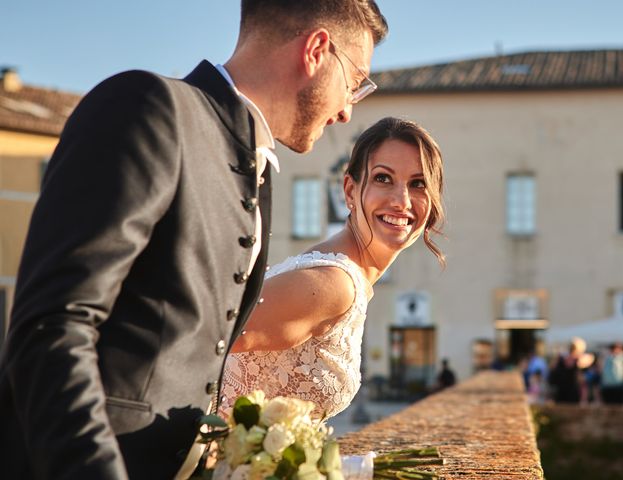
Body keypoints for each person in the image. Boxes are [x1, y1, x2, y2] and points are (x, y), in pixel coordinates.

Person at [0, 1, 388, 479]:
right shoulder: (146, 108)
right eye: (355, 82)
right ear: (316, 51)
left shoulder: (256, 167)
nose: (349, 110)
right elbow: (53, 329)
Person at [221, 116, 445, 418]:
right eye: (383, 178)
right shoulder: (333, 284)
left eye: (418, 184)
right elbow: (204, 337)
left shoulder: (342, 275)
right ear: (350, 191)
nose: (401, 200)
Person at [548, 337, 593, 404]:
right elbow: (582, 381)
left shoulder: (561, 359)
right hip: (573, 393)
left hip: (561, 393)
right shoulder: (580, 360)